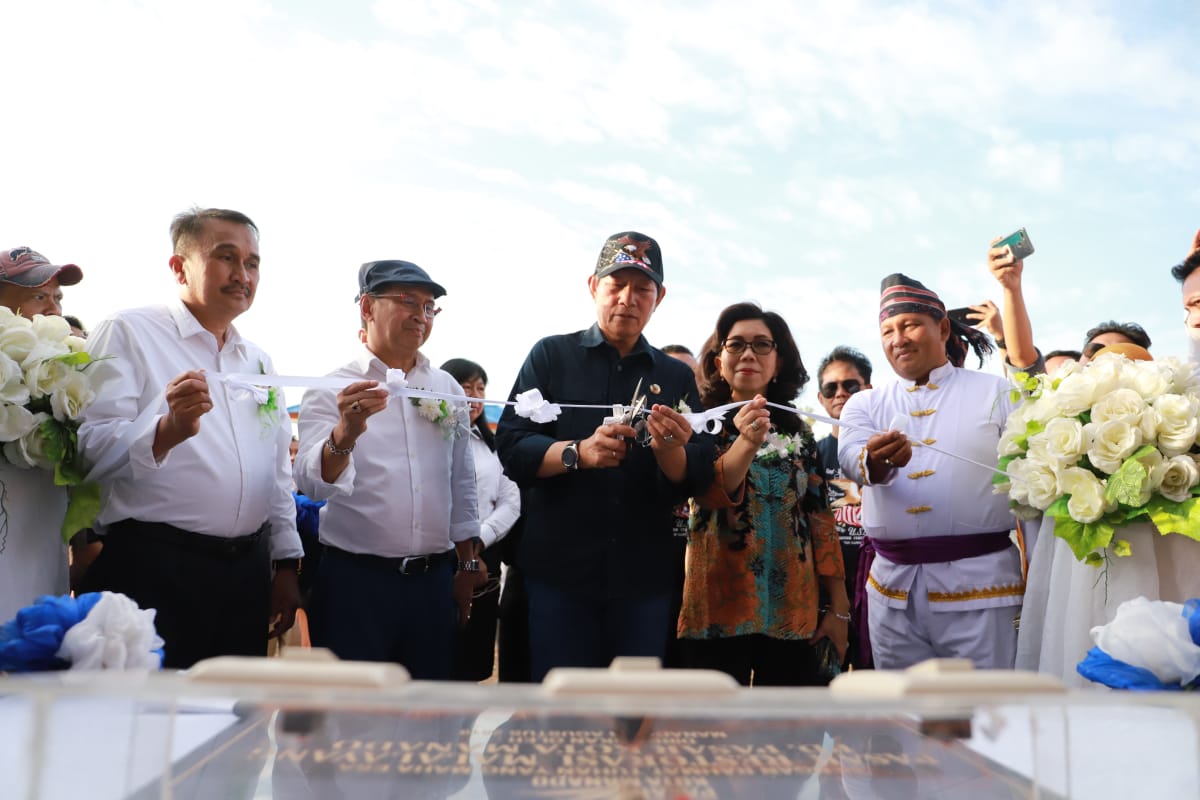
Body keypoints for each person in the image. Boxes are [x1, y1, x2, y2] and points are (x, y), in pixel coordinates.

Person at [77, 208, 303, 669]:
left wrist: (284, 564)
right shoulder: (128, 331)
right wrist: (167, 430)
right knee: (147, 723)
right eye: (226, 257)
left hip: (245, 574)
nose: (243, 274)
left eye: (253, 263)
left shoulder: (258, 361)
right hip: (154, 567)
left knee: (230, 720)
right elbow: (88, 450)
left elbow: (276, 472)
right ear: (179, 267)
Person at [496, 231, 715, 682]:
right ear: (594, 286)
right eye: (617, 285)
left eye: (643, 288)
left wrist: (671, 451)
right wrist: (578, 453)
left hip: (645, 580)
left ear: (660, 297)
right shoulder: (551, 356)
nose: (628, 299)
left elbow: (699, 469)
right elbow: (513, 446)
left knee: (632, 717)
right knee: (560, 710)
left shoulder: (675, 376)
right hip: (559, 575)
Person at [293, 260, 481, 680]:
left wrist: (466, 567)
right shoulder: (331, 388)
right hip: (355, 584)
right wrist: (347, 430)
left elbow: (462, 483)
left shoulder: (447, 388)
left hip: (433, 584)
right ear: (367, 308)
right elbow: (311, 484)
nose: (420, 315)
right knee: (349, 721)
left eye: (430, 306)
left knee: (426, 720)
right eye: (406, 301)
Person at [838, 274, 1023, 670]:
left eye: (909, 325)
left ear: (942, 329)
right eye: (887, 330)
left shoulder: (998, 394)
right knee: (904, 716)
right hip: (891, 593)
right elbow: (850, 457)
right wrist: (876, 461)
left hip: (982, 590)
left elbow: (1032, 486)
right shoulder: (865, 404)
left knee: (986, 714)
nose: (897, 338)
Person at [678, 303, 847, 686]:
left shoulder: (801, 434)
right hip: (716, 611)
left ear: (779, 360)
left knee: (787, 740)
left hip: (794, 612)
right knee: (714, 739)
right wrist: (744, 441)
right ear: (718, 359)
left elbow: (820, 522)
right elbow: (708, 493)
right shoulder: (699, 424)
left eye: (761, 345)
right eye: (735, 345)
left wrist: (838, 608)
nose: (748, 354)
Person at [0, 247, 83, 622]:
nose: (54, 310)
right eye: (38, 297)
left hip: (39, 585)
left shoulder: (73, 381)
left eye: (57, 298)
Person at [441, 357, 521, 682]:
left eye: (480, 388)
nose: (474, 397)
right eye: (465, 388)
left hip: (484, 558)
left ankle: (464, 730)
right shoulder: (432, 441)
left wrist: (477, 541)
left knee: (472, 659)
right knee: (438, 656)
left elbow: (510, 501)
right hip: (440, 556)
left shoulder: (495, 447)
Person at [814, 345, 873, 668]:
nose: (841, 393)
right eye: (831, 387)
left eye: (851, 385)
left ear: (868, 390)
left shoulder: (891, 450)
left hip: (879, 591)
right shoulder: (809, 453)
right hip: (823, 595)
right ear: (820, 398)